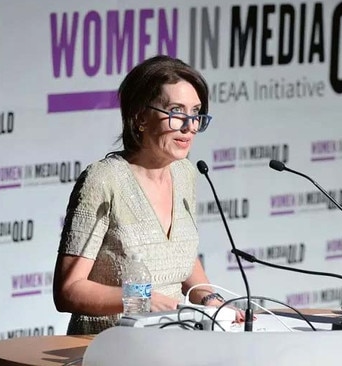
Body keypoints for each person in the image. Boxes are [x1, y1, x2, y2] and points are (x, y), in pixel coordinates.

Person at [53, 55, 229, 335]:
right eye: (176, 111)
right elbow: (69, 291)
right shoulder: (104, 180)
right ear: (140, 117)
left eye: (195, 113)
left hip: (171, 343)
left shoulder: (184, 174)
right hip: (106, 346)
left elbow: (176, 253)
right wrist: (141, 299)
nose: (190, 126)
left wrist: (213, 303)